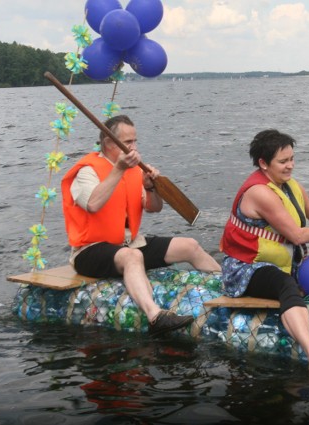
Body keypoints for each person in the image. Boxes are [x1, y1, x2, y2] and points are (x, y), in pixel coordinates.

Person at [219, 129, 309, 382]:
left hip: (281, 263)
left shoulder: (291, 185)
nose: (290, 166)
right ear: (263, 164)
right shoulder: (260, 193)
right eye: (283, 161)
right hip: (245, 268)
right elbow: (297, 236)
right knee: (285, 285)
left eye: (292, 159)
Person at [61, 115, 221, 337]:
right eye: (128, 143)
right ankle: (155, 316)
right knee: (132, 257)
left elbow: (153, 208)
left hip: (128, 243)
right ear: (109, 143)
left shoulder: (134, 171)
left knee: (190, 245)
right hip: (90, 250)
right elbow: (93, 204)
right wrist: (118, 169)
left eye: (135, 141)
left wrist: (150, 188)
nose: (134, 148)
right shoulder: (87, 171)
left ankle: (228, 287)